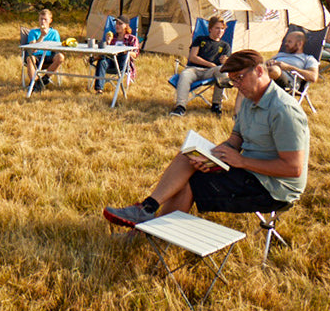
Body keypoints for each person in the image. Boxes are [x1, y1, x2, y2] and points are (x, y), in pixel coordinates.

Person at [104, 49, 308, 227]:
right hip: (249, 171)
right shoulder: (249, 99)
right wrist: (211, 157)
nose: (236, 85)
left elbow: (293, 169)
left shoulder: (284, 111)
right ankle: (147, 209)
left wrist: (241, 161)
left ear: (260, 71)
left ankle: (146, 233)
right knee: (188, 158)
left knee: (190, 182)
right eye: (232, 80)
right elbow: (235, 139)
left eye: (239, 78)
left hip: (274, 188)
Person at [172, 15, 230, 116]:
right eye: (217, 28)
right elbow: (193, 57)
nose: (220, 31)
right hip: (194, 69)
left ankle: (216, 104)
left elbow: (227, 64)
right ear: (210, 29)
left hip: (211, 73)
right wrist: (210, 64)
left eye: (222, 29)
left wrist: (227, 62)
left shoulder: (225, 46)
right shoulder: (201, 39)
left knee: (223, 71)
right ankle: (180, 106)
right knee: (185, 75)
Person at [91, 21, 139, 93]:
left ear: (126, 25)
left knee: (124, 54)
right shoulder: (113, 37)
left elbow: (135, 55)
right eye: (116, 24)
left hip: (123, 63)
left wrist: (127, 51)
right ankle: (99, 89)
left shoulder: (132, 38)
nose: (117, 26)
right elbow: (107, 52)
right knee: (102, 62)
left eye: (120, 24)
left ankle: (94, 59)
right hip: (111, 61)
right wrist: (108, 43)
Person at [21, 7, 63, 90]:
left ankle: (44, 80)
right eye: (41, 19)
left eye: (45, 19)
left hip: (49, 56)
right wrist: (42, 36)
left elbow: (58, 48)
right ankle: (35, 82)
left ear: (50, 20)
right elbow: (33, 49)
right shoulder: (33, 32)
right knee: (30, 59)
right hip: (37, 56)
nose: (42, 22)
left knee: (60, 57)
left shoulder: (54, 33)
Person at [267, 27, 319, 93]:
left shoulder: (308, 59)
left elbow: (313, 77)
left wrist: (287, 67)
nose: (286, 44)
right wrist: (268, 63)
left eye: (289, 42)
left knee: (274, 70)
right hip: (269, 74)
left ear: (300, 44)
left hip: (288, 83)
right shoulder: (280, 54)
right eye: (286, 41)